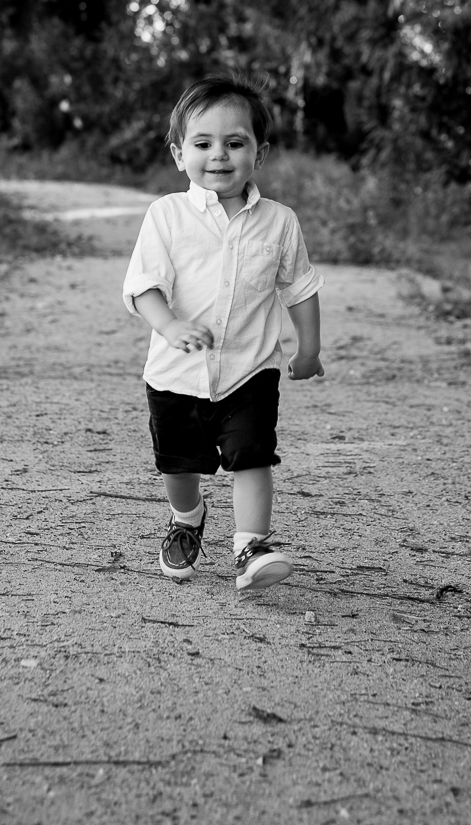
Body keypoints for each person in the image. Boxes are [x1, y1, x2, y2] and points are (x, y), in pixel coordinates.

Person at [122, 71, 324, 590]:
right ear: (178, 154)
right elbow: (144, 285)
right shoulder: (166, 216)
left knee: (252, 455)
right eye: (203, 143)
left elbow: (298, 288)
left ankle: (251, 545)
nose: (219, 155)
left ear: (259, 154)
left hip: (250, 371)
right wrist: (168, 325)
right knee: (178, 465)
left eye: (235, 143)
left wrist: (309, 349)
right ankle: (187, 520)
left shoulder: (280, 222)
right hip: (175, 374)